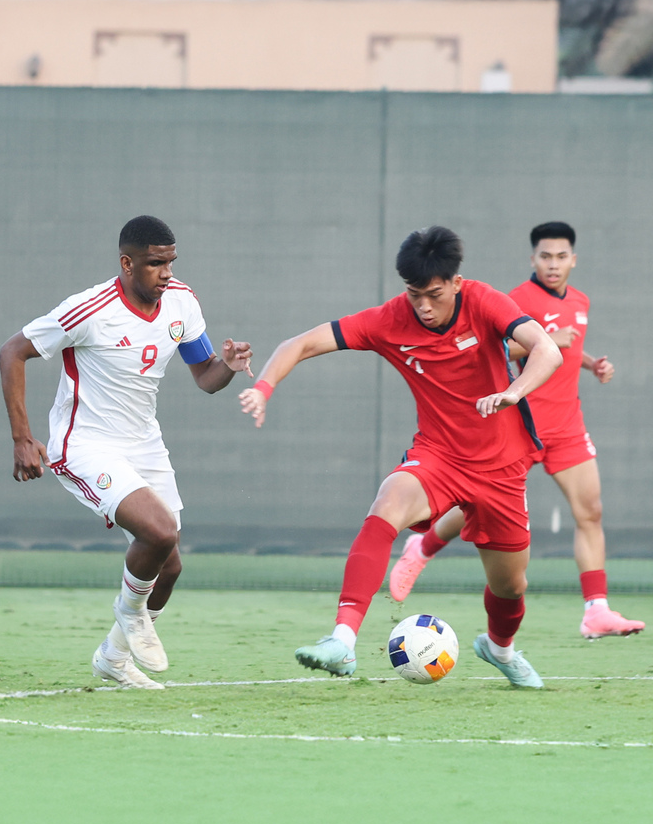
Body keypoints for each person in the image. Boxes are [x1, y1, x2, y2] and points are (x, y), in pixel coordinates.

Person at [240, 226, 563, 688]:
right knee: (386, 504)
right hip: (439, 455)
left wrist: (514, 392)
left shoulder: (484, 301)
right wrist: (263, 388)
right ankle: (342, 641)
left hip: (502, 467)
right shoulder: (390, 320)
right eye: (415, 295)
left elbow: (546, 350)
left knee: (511, 587)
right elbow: (301, 343)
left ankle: (499, 648)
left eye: (434, 294)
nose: (424, 306)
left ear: (456, 282)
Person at [0, 216, 253, 689]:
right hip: (85, 444)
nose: (166, 273)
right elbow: (12, 351)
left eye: (170, 262)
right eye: (155, 263)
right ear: (127, 263)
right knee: (158, 532)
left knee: (169, 565)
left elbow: (205, 376)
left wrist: (229, 365)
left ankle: (113, 657)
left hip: (144, 443)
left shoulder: (182, 301)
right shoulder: (89, 309)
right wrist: (22, 438)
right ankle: (131, 611)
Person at [389, 222, 645, 639]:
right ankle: (423, 546)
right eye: (545, 256)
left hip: (567, 423)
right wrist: (548, 339)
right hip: (517, 424)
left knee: (591, 510)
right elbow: (493, 347)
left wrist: (592, 363)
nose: (553, 264)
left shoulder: (580, 300)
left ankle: (596, 610)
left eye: (561, 257)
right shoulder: (516, 299)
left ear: (573, 260)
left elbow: (568, 347)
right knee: (477, 505)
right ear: (533, 259)